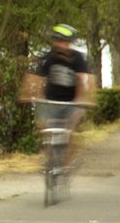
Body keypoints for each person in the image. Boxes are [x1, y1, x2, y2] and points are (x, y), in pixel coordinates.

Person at [35, 24, 90, 163]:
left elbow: (83, 79)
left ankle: (66, 165)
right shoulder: (49, 57)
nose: (62, 45)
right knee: (43, 126)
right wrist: (31, 95)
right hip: (50, 102)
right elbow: (36, 78)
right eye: (59, 41)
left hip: (71, 102)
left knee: (69, 132)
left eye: (65, 42)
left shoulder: (78, 58)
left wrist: (84, 99)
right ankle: (48, 157)